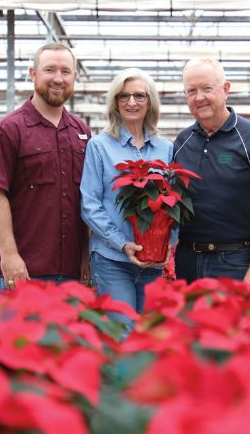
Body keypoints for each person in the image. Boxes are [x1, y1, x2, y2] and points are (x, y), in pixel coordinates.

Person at [0, 42, 92, 291]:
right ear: (33, 74)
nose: (58, 78)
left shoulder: (81, 132)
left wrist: (86, 254)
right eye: (49, 70)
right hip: (24, 272)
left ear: (74, 77)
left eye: (65, 71)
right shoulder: (8, 130)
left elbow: (87, 199)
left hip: (73, 274)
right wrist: (9, 255)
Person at [80, 68, 174, 332]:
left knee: (149, 336)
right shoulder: (99, 146)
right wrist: (122, 244)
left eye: (139, 96)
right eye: (124, 96)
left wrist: (169, 244)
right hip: (112, 259)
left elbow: (173, 203)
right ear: (115, 103)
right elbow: (89, 204)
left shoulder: (165, 149)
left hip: (153, 262)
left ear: (150, 102)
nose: (131, 102)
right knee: (121, 335)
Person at [172, 57, 250, 284]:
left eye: (207, 88)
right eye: (191, 91)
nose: (199, 98)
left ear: (225, 89)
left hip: (235, 261)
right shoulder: (182, 142)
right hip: (188, 260)